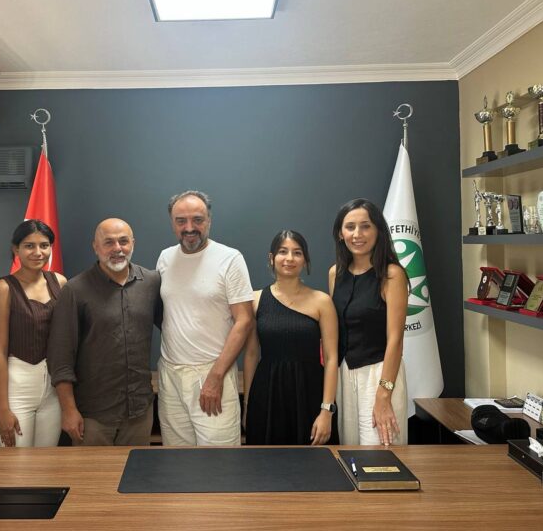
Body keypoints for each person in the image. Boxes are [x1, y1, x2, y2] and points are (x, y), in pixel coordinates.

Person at [48, 218, 161, 446]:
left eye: (123, 241)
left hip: (139, 411)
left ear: (133, 243)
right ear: (96, 247)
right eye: (108, 242)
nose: (117, 248)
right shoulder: (75, 290)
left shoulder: (151, 282)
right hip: (93, 416)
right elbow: (60, 356)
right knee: (93, 471)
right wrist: (68, 410)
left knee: (136, 469)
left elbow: (174, 326)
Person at [156, 190, 254, 446]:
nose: (189, 228)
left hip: (212, 375)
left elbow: (244, 321)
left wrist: (215, 377)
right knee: (176, 460)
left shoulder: (230, 259)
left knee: (218, 463)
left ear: (209, 220)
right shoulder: (165, 258)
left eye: (197, 220)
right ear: (172, 223)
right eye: (181, 221)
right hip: (170, 376)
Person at [243, 230, 339, 445]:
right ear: (271, 258)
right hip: (267, 394)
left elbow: (331, 358)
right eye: (282, 252)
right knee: (265, 461)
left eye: (297, 253)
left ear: (305, 260)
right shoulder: (255, 300)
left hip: (310, 394)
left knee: (314, 461)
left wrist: (327, 410)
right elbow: (251, 355)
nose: (289, 258)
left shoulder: (321, 301)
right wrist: (248, 405)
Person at [329, 198, 409, 446]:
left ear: (378, 231)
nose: (357, 234)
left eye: (365, 226)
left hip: (379, 375)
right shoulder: (335, 274)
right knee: (350, 453)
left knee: (381, 456)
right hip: (345, 374)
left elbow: (395, 340)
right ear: (340, 233)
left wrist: (384, 394)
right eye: (350, 227)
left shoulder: (392, 275)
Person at [0, 219, 66, 448]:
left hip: (52, 389)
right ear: (16, 249)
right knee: (15, 464)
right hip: (16, 388)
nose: (38, 252)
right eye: (29, 246)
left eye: (44, 245)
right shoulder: (4, 288)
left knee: (46, 462)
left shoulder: (60, 282)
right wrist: (3, 408)